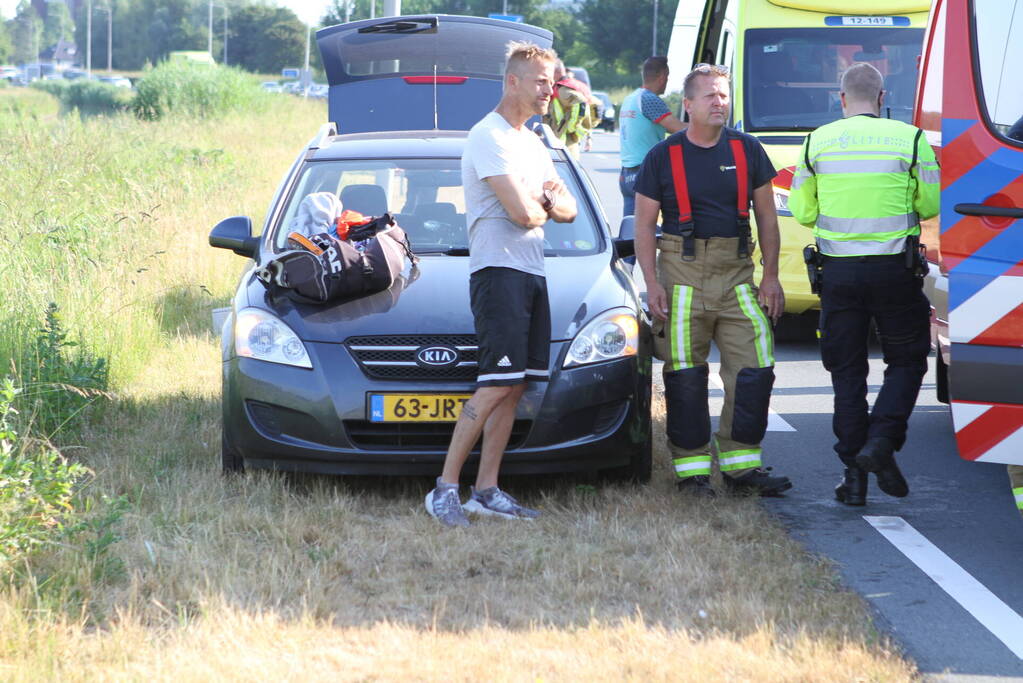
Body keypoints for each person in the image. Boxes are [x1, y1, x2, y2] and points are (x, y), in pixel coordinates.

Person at [425, 41, 578, 527]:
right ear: (512, 82)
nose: (549, 90)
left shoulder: (534, 142)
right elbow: (521, 212)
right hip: (499, 273)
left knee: (513, 387)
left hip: (532, 271)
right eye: (540, 82)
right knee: (493, 385)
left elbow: (567, 210)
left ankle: (486, 490)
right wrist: (544, 205)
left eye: (552, 82)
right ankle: (445, 489)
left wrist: (545, 206)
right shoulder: (486, 136)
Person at [634, 64, 791, 497]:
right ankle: (693, 473)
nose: (720, 102)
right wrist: (652, 283)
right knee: (685, 377)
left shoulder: (748, 150)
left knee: (755, 367)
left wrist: (772, 277)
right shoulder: (662, 157)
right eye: (710, 96)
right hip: (682, 277)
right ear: (687, 106)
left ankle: (742, 468)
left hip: (738, 274)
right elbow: (644, 226)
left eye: (723, 95)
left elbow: (767, 217)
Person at [788, 63, 940, 505]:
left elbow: (803, 212)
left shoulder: (817, 141)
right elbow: (928, 203)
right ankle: (881, 443)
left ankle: (854, 477)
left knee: (847, 372)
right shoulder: (909, 138)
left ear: (841, 99)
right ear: (881, 97)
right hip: (894, 271)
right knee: (907, 361)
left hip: (838, 274)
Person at [619, 56, 685, 217]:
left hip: (626, 174)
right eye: (668, 78)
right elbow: (677, 128)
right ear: (663, 76)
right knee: (654, 226)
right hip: (645, 171)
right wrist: (710, 128)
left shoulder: (630, 99)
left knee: (630, 229)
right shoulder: (649, 99)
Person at [544, 61, 594, 159]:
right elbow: (594, 106)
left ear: (556, 72)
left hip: (564, 142)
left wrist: (571, 127)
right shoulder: (576, 85)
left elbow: (580, 103)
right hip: (569, 142)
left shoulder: (562, 89)